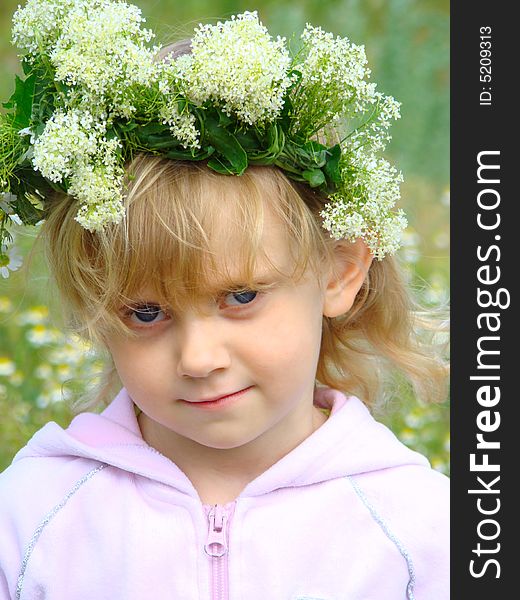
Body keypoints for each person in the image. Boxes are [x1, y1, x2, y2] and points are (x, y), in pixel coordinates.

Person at [0, 1, 449, 598]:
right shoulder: (31, 519)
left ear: (340, 272)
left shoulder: (420, 533)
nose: (198, 358)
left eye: (239, 296)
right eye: (146, 313)